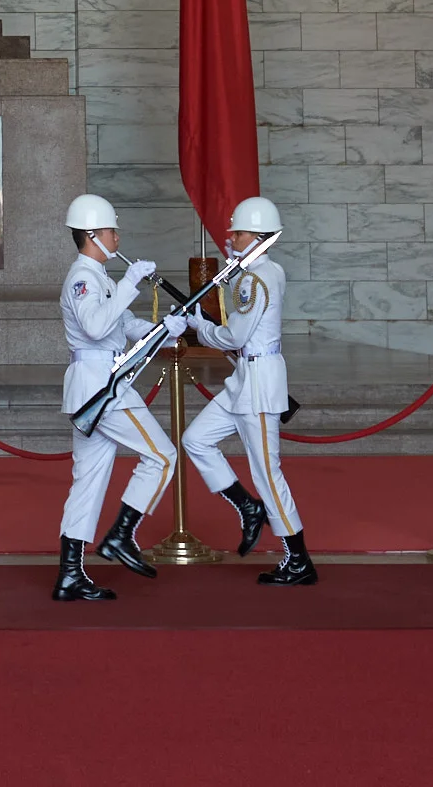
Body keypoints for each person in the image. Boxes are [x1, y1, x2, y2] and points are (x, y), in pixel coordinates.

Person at [54, 193, 185, 602]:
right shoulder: (84, 277)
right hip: (100, 387)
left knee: (88, 483)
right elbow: (95, 327)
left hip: (101, 382)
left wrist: (164, 329)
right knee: (163, 456)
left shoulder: (102, 279)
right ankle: (121, 535)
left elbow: (124, 326)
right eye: (113, 229)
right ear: (93, 234)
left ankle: (70, 575)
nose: (118, 236)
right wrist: (131, 284)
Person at [183, 196, 314, 585]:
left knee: (268, 475)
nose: (231, 238)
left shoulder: (254, 279)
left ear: (258, 237)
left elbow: (233, 335)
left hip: (257, 383)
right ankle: (247, 507)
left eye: (238, 233)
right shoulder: (256, 272)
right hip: (244, 378)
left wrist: (199, 326)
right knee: (196, 439)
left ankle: (298, 558)